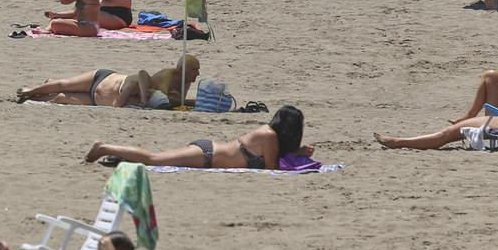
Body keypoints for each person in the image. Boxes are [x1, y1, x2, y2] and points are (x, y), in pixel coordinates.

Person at [85, 105, 309, 170]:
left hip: (208, 153)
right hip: (207, 155)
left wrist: (296, 153)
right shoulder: (269, 135)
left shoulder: (269, 136)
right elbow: (272, 168)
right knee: (153, 159)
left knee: (154, 160)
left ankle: (117, 156)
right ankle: (104, 147)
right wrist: (297, 155)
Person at [16, 55, 202, 108]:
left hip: (95, 100)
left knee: (59, 98)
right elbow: (142, 73)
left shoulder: (136, 101)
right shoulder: (141, 83)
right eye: (194, 70)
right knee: (64, 84)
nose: (197, 73)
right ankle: (30, 90)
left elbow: (117, 105)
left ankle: (32, 98)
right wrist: (145, 97)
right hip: (102, 79)